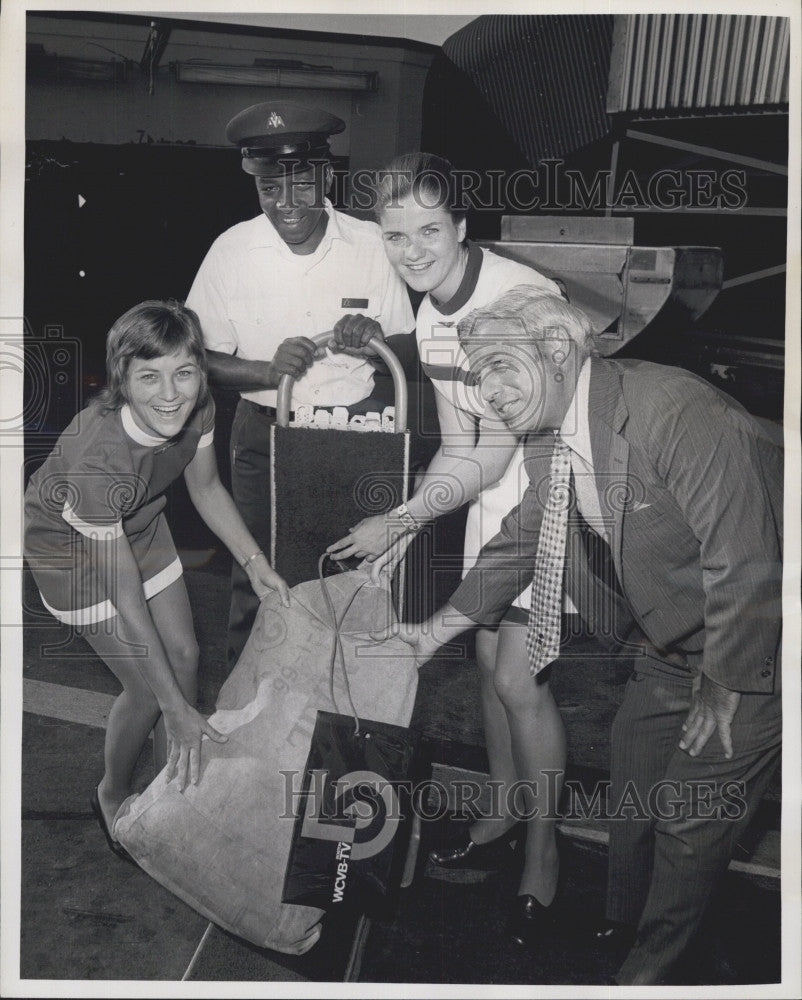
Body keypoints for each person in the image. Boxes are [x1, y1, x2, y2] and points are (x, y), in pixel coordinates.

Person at [383, 288, 783, 985]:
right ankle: (626, 920)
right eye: (479, 376)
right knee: (634, 764)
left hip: (759, 642)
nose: (490, 391)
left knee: (689, 818)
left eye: (503, 367)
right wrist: (432, 634)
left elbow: (746, 561)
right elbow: (521, 540)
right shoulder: (551, 437)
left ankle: (650, 972)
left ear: (560, 350)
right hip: (674, 638)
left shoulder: (675, 413)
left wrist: (723, 690)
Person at [326, 152, 569, 941]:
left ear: (462, 227)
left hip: (547, 492)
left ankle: (545, 854)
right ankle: (501, 812)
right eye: (396, 235)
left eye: (430, 229)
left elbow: (499, 452)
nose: (414, 249)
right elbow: (458, 443)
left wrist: (398, 522)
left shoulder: (516, 298)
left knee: (518, 676)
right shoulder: (428, 312)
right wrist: (407, 522)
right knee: (485, 667)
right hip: (486, 499)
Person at [23, 301, 290, 863]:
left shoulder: (199, 406)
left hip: (138, 521)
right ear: (122, 381)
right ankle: (113, 794)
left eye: (184, 373)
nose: (171, 393)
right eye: (149, 377)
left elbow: (208, 489)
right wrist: (174, 706)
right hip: (69, 550)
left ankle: (174, 793)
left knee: (186, 655)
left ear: (200, 371)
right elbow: (125, 596)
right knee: (150, 688)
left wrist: (254, 561)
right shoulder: (98, 457)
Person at [185, 101, 414, 666]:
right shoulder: (231, 251)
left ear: (326, 176)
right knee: (258, 571)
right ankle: (252, 712)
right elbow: (196, 359)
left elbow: (411, 354)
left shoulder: (371, 245)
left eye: (299, 186)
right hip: (262, 436)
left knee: (351, 576)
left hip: (356, 435)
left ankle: (342, 718)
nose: (284, 205)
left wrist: (377, 341)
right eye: (268, 190)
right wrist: (266, 372)